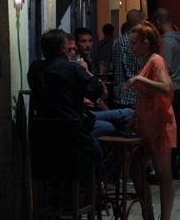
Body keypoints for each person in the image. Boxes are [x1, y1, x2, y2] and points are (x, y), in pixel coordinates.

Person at [27, 30, 133, 160]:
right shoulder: (72, 68)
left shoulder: (34, 68)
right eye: (68, 48)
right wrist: (85, 70)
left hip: (45, 127)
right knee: (121, 120)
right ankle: (117, 164)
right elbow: (101, 93)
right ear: (61, 48)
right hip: (74, 125)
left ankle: (116, 163)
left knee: (122, 117)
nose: (72, 52)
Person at [122, 21, 177, 220]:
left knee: (163, 174)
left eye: (134, 43)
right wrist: (134, 117)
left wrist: (139, 79)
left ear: (146, 43)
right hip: (147, 123)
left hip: (159, 124)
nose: (131, 47)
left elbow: (165, 87)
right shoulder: (147, 60)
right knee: (135, 168)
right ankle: (150, 219)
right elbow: (147, 95)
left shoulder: (156, 61)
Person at [153, 8, 180, 180]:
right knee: (177, 129)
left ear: (158, 22)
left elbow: (165, 68)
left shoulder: (167, 42)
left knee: (170, 130)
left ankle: (174, 168)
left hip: (171, 88)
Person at [112, 9, 144, 109]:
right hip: (134, 94)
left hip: (118, 93)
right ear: (140, 21)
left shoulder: (117, 42)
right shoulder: (138, 42)